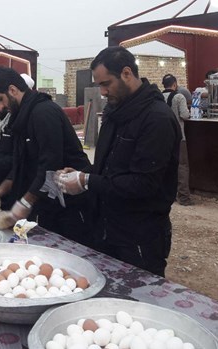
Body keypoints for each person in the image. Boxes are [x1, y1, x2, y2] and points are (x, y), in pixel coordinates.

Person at [57, 47, 181, 277]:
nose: (102, 92)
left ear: (126, 73)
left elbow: (143, 184)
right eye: (99, 86)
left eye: (106, 84)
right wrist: (83, 173)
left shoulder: (157, 119)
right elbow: (109, 169)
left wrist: (87, 181)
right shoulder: (115, 113)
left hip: (139, 238)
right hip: (106, 229)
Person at [0, 67, 91, 243]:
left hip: (69, 203)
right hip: (47, 200)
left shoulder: (43, 112)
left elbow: (50, 166)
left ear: (13, 90)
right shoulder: (21, 116)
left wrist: (25, 203)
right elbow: (20, 162)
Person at [162, 73, 192, 206]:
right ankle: (184, 198)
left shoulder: (159, 97)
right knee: (182, 166)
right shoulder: (179, 96)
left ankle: (169, 194)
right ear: (174, 84)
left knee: (166, 165)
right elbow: (185, 115)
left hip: (162, 138)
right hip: (179, 137)